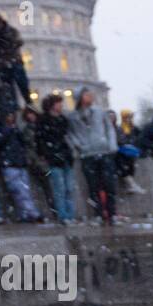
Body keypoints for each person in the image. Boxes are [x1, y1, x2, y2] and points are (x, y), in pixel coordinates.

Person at [67, 87, 118, 224]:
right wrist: (79, 145)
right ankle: (99, 214)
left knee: (109, 184)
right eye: (86, 95)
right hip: (87, 154)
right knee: (93, 186)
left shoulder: (100, 112)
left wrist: (111, 145)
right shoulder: (73, 116)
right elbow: (70, 134)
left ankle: (112, 213)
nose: (90, 97)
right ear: (80, 98)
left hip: (104, 151)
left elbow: (109, 128)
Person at [0, 110, 43, 223]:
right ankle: (31, 212)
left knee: (24, 190)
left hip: (19, 163)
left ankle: (24, 214)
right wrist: (8, 131)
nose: (11, 117)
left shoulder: (16, 129)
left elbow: (23, 143)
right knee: (18, 190)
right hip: (9, 163)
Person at [36, 94, 77, 224]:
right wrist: (48, 153)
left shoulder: (63, 119)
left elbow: (67, 137)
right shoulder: (43, 120)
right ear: (52, 105)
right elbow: (39, 140)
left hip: (65, 157)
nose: (61, 106)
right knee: (59, 188)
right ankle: (63, 216)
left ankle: (70, 215)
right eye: (59, 103)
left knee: (69, 188)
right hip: (54, 158)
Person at [0, 13, 30, 108]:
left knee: (22, 84)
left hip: (14, 62)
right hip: (3, 65)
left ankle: (28, 102)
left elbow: (18, 42)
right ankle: (15, 104)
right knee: (9, 86)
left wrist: (5, 42)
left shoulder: (12, 32)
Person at [21, 105, 54, 216]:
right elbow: (29, 147)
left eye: (32, 113)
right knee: (45, 188)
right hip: (37, 163)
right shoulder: (27, 129)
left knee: (50, 187)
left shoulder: (42, 126)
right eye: (28, 114)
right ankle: (49, 211)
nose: (31, 116)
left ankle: (54, 210)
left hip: (46, 161)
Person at [114, 108, 147, 195]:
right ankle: (130, 183)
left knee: (132, 161)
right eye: (127, 117)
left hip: (132, 151)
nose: (129, 119)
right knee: (123, 161)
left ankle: (130, 183)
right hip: (122, 151)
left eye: (130, 117)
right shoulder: (120, 128)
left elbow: (141, 138)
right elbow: (120, 141)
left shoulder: (134, 128)